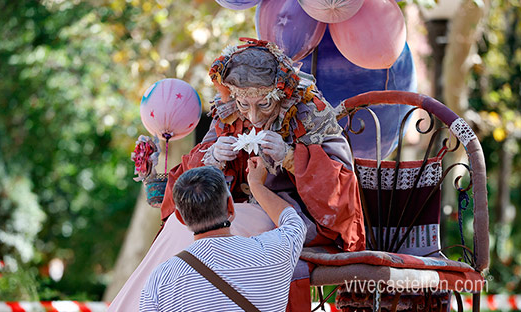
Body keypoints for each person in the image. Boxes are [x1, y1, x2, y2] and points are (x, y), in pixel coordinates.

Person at [108, 38, 365, 311]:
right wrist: (213, 157)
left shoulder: (309, 112)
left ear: (282, 94)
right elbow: (191, 177)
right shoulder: (229, 111)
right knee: (179, 224)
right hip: (237, 210)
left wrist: (290, 157)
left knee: (223, 228)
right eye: (244, 104)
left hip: (294, 216)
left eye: (264, 105)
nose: (252, 117)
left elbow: (342, 190)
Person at [139, 160, 306, 311]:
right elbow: (294, 223)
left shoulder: (159, 281)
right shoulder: (273, 252)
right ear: (231, 207)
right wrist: (256, 185)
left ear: (180, 219)